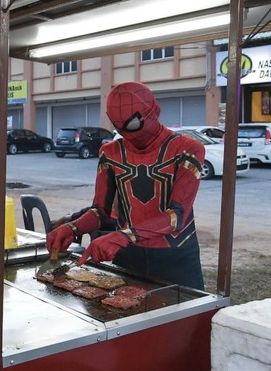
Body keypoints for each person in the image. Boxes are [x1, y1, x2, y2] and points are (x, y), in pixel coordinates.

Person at [46, 81, 206, 289]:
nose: (127, 134)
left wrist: (122, 236)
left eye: (131, 125)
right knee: (123, 312)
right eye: (118, 127)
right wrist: (73, 227)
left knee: (184, 318)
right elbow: (100, 211)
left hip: (175, 258)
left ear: (152, 111)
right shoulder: (110, 152)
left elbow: (176, 217)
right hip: (129, 255)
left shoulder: (188, 149)